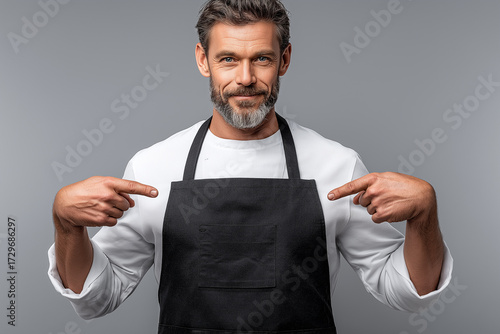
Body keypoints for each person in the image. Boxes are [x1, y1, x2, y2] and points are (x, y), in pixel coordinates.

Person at [48, 1, 452, 333]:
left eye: (261, 58)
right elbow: (97, 299)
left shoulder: (337, 165)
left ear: (285, 59)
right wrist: (67, 227)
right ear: (202, 60)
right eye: (228, 59)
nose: (245, 78)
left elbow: (405, 292)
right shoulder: (153, 167)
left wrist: (425, 217)